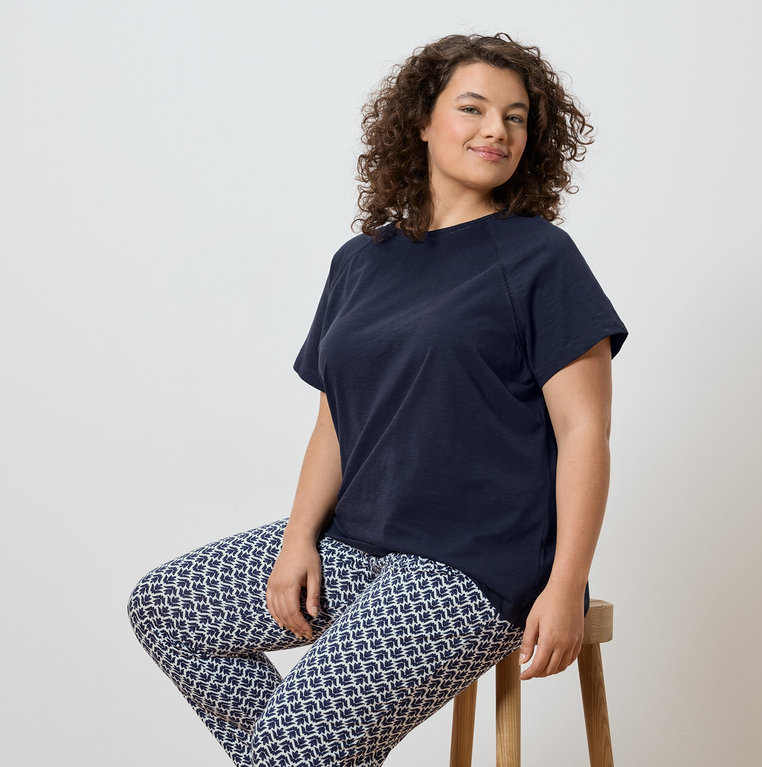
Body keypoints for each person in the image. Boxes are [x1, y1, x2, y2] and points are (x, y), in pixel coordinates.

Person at [127, 32, 628, 767]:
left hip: (476, 561)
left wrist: (567, 583)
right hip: (362, 540)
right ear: (421, 121)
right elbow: (335, 417)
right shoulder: (361, 260)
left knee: (293, 749)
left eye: (517, 117)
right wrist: (301, 536)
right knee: (167, 608)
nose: (497, 129)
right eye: (474, 108)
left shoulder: (539, 257)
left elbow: (586, 431)